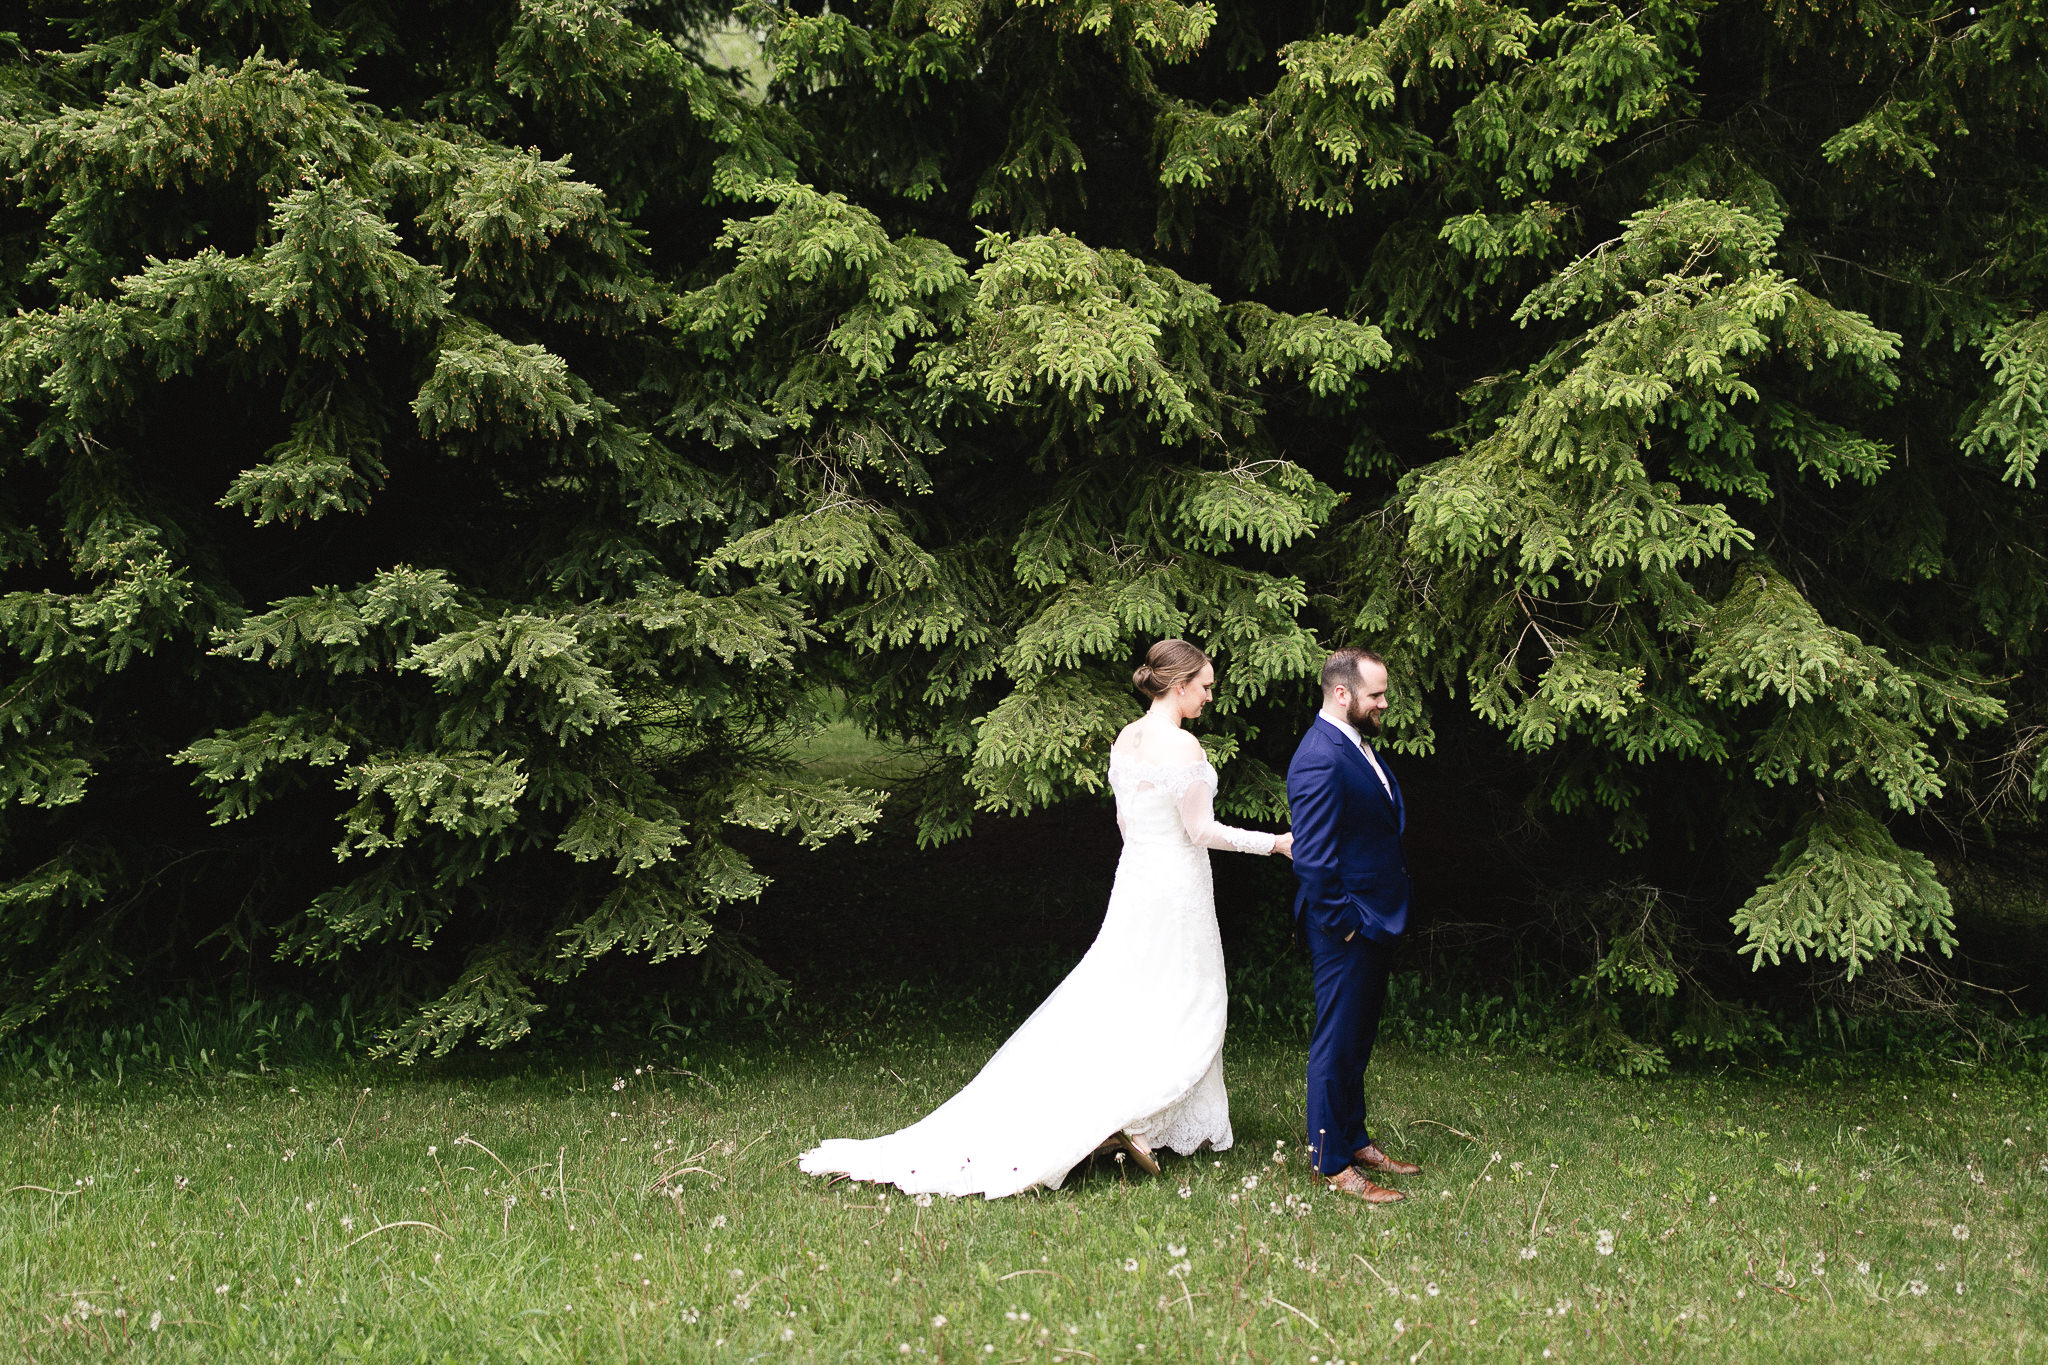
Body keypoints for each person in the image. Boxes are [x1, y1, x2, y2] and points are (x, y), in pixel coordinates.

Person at [799, 640, 1293, 1199]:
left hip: (1137, 881)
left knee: (1129, 992)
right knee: (1190, 997)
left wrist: (1143, 868)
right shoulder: (1181, 746)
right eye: (1204, 684)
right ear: (1177, 686)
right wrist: (1274, 843)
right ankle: (1129, 1115)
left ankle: (1144, 1123)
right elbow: (1201, 831)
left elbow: (1125, 820)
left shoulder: (1127, 739)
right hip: (1175, 886)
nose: (1210, 693)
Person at [1285, 647, 1423, 1203]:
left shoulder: (1354, 744)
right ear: (1342, 694)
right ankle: (1330, 1160)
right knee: (1335, 1042)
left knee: (1358, 1036)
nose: (1384, 703)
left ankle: (1356, 1137)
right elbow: (1313, 858)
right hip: (1347, 923)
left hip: (1376, 917)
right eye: (1376, 695)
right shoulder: (1319, 755)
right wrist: (1344, 923)